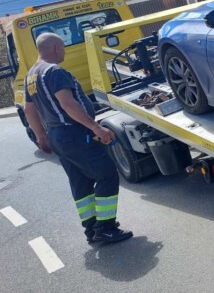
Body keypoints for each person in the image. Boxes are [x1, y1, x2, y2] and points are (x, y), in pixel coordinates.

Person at [23, 33, 132, 245]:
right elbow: (68, 104)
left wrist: (41, 137)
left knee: (80, 182)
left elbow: (29, 110)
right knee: (107, 174)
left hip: (57, 136)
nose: (64, 51)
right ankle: (106, 228)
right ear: (56, 47)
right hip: (74, 133)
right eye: (63, 47)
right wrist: (96, 128)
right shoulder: (54, 71)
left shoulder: (31, 76)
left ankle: (91, 229)